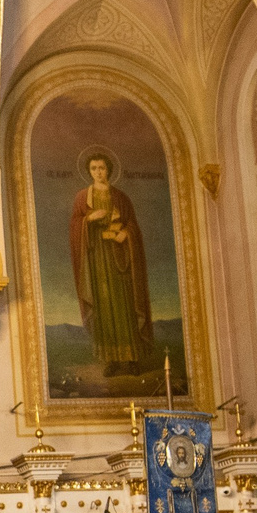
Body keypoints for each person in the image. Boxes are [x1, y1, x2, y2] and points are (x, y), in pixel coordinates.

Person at [70, 151, 153, 375]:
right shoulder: (82, 198)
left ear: (109, 170)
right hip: (97, 261)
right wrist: (88, 219)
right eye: (94, 169)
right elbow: (75, 227)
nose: (98, 172)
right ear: (89, 171)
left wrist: (126, 234)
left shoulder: (121, 197)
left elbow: (132, 226)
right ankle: (112, 359)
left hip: (120, 260)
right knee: (105, 307)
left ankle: (133, 357)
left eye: (102, 168)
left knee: (125, 304)